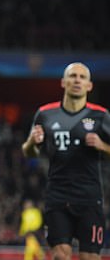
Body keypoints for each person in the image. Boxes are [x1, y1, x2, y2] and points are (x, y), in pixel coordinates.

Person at [22, 62, 110, 260]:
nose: (77, 80)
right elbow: (30, 153)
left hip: (89, 198)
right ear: (63, 82)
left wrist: (102, 146)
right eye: (72, 76)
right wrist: (32, 142)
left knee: (90, 257)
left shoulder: (100, 116)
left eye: (82, 77)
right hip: (57, 197)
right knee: (60, 256)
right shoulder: (45, 114)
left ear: (89, 86)